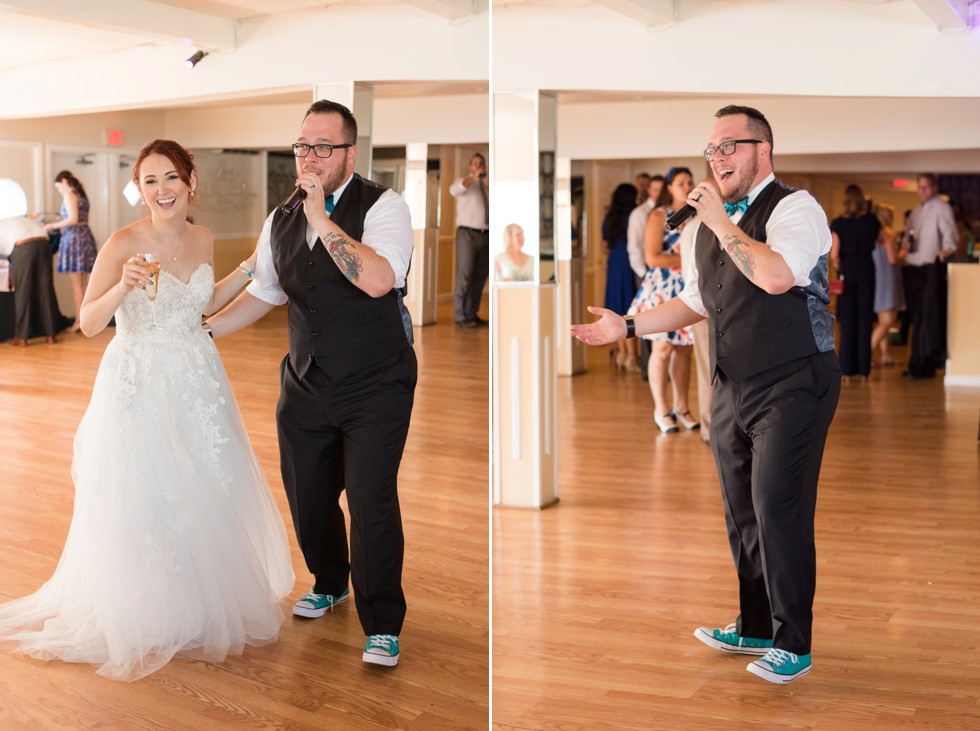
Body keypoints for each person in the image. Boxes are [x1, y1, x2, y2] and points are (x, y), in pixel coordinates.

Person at [0, 139, 292, 681]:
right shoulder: (123, 242)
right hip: (138, 380)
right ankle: (148, 612)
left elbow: (200, 303)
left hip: (198, 380)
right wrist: (121, 288)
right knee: (147, 493)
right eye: (151, 181)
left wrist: (252, 267)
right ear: (142, 188)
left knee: (205, 486)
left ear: (190, 182)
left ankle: (200, 605)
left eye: (171, 179)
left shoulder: (202, 238)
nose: (161, 191)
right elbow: (87, 322)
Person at [572, 105, 840, 685]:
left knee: (777, 506)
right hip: (732, 381)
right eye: (712, 149)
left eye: (730, 146)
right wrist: (630, 324)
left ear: (762, 150)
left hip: (796, 379)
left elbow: (773, 276)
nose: (717, 157)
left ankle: (794, 641)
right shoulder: (701, 231)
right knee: (741, 509)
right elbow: (697, 301)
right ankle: (754, 625)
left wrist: (720, 222)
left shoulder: (796, 208)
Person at [205, 99, 417, 667]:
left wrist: (323, 219)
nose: (310, 156)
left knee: (371, 499)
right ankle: (330, 581)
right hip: (304, 380)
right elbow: (266, 292)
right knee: (308, 496)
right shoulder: (279, 218)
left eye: (324, 146)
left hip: (376, 382)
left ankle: (383, 622)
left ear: (350, 152)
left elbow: (378, 281)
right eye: (303, 146)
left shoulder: (385, 207)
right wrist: (205, 334)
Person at [627, 166, 699, 433]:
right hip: (662, 288)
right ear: (669, 187)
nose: (687, 186)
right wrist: (687, 260)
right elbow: (652, 257)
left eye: (689, 182)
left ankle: (682, 406)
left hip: (688, 286)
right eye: (681, 182)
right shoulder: (659, 215)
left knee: (684, 350)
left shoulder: (698, 214)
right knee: (662, 349)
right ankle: (661, 409)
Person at [900, 173, 957, 380]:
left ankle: (924, 363)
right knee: (917, 317)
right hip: (913, 268)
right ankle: (919, 363)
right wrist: (905, 243)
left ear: (934, 187)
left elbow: (950, 234)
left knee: (928, 317)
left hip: (930, 267)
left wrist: (947, 250)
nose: (922, 191)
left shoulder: (942, 207)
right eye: (920, 187)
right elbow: (907, 237)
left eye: (926, 187)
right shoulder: (916, 212)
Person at [830, 184, 880, 381]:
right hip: (867, 271)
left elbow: (835, 254)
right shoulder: (871, 221)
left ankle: (847, 370)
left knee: (848, 321)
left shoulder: (839, 223)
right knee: (865, 320)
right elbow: (881, 240)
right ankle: (864, 370)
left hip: (848, 274)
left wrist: (839, 265)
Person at [45, 171, 98, 333]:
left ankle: (79, 322)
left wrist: (52, 226)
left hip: (74, 239)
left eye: (59, 187)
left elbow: (73, 219)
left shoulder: (69, 195)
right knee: (83, 284)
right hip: (84, 236)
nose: (59, 190)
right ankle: (86, 320)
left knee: (76, 284)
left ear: (64, 181)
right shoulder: (81, 194)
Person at [0, 215, 61, 346]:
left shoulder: (3, 226)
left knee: (23, 291)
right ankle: (51, 334)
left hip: (23, 248)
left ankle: (21, 337)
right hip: (44, 244)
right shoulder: (15, 220)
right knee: (46, 290)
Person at [627, 175, 665, 379]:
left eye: (662, 189)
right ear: (649, 191)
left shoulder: (667, 212)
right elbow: (634, 249)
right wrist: (645, 275)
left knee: (664, 321)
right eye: (655, 189)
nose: (659, 193)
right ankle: (647, 369)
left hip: (665, 276)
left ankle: (661, 369)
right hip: (646, 274)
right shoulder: (639, 214)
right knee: (645, 323)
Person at [602, 183, 641, 372]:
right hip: (628, 264)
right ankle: (632, 356)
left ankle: (622, 353)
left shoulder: (610, 218)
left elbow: (604, 246)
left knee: (616, 308)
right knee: (629, 309)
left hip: (614, 264)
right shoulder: (633, 216)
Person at [449, 152, 489, 328]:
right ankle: (460, 315)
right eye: (475, 163)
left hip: (486, 235)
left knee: (479, 277)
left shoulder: (487, 187)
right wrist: (474, 177)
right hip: (467, 235)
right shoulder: (463, 183)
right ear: (470, 166)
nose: (479, 165)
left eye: (481, 163)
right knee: (465, 275)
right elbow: (453, 190)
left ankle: (472, 313)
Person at [870, 202, 904, 367]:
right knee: (888, 321)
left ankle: (885, 354)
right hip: (888, 278)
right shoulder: (887, 234)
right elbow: (893, 258)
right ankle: (868, 353)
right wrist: (903, 253)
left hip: (879, 277)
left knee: (883, 319)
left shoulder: (874, 234)